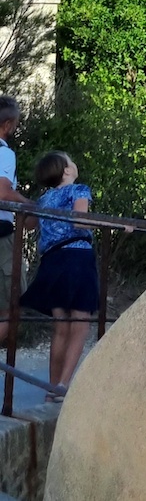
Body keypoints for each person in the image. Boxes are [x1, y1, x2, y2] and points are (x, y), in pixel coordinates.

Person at [21, 153, 99, 397]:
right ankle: (64, 385)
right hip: (77, 258)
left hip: (51, 262)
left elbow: (29, 224)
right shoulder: (78, 190)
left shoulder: (44, 199)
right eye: (71, 161)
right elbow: (81, 222)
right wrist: (110, 226)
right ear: (67, 171)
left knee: (61, 326)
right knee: (80, 322)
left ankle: (51, 386)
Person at [0, 97, 33, 351]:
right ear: (8, 124)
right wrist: (31, 205)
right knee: (11, 303)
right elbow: (2, 191)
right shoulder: (4, 153)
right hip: (1, 236)